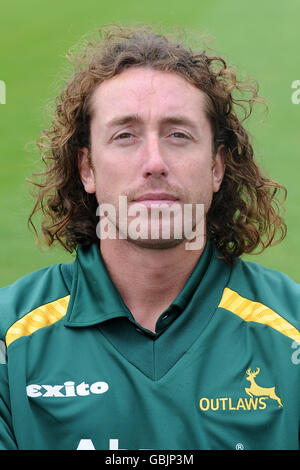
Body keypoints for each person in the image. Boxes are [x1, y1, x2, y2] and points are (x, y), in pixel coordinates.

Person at [0, 24, 299, 451]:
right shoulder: (9, 338)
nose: (154, 162)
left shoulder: (292, 333)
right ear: (87, 169)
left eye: (179, 134)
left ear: (217, 168)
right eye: (125, 136)